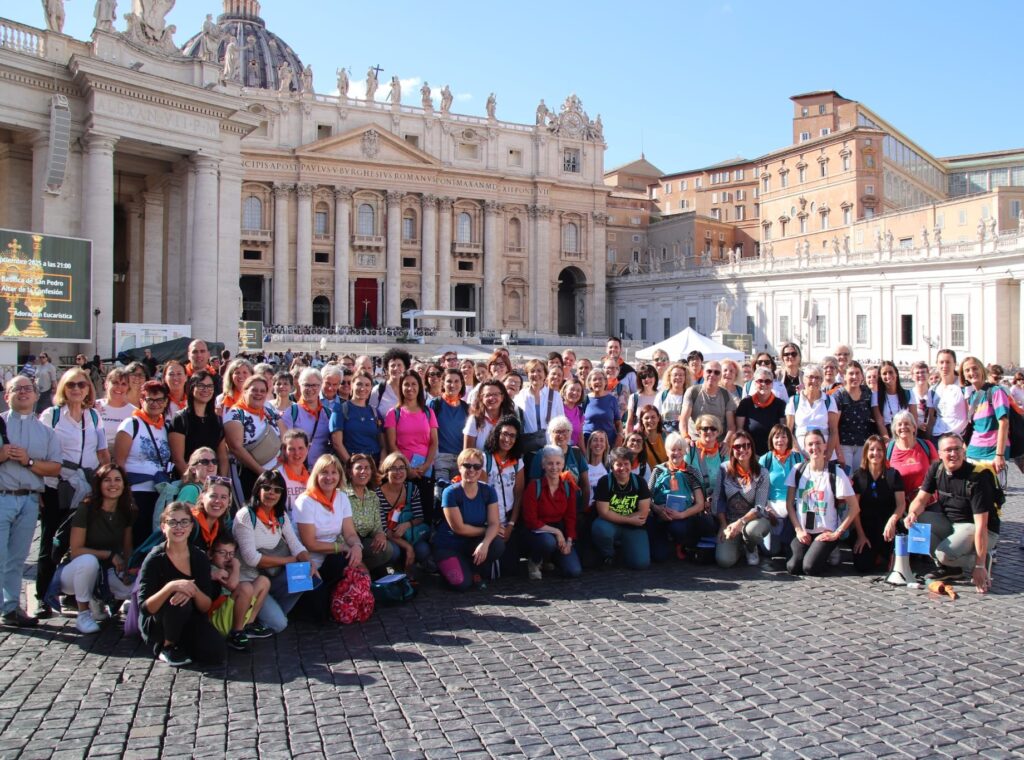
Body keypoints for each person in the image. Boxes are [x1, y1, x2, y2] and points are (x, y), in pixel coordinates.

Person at [36, 367, 110, 610]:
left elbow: (102, 453)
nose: (76, 389)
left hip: (86, 486)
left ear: (89, 388)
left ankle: (72, 592)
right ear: (63, 388)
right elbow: (40, 451)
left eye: (81, 384)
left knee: (78, 540)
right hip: (57, 485)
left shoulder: (94, 416)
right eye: (71, 384)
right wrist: (38, 488)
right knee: (51, 541)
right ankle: (43, 596)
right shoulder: (52, 415)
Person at [0, 377, 62, 626]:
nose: (24, 392)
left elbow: (55, 468)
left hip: (29, 501)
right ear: (7, 396)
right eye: (17, 389)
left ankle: (10, 608)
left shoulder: (46, 432)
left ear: (37, 395)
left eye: (29, 389)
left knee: (17, 558)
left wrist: (29, 462)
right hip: (2, 496)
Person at [904, 434, 999, 593]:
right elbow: (920, 499)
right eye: (948, 450)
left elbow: (982, 526)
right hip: (952, 523)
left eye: (957, 449)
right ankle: (952, 569)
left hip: (980, 529)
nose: (953, 454)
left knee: (943, 554)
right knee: (917, 521)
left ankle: (981, 560)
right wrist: (912, 513)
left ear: (963, 451)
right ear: (940, 454)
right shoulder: (936, 469)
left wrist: (979, 565)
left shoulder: (977, 477)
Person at [138, 502, 225, 667]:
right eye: (173, 522)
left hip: (190, 616)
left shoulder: (199, 557)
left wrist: (192, 590)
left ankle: (182, 642)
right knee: (177, 600)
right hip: (159, 620)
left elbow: (205, 606)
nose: (179, 527)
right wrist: (171, 587)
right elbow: (145, 608)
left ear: (191, 527)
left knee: (215, 652)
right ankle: (166, 646)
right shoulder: (154, 559)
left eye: (184, 522)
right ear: (163, 527)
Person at [232, 470, 314, 633]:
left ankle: (264, 612)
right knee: (279, 624)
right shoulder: (246, 516)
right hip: (249, 581)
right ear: (258, 489)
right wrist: (288, 560)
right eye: (267, 488)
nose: (272, 493)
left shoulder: (280, 515)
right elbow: (251, 559)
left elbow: (295, 545)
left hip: (271, 576)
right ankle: (254, 618)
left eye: (277, 490)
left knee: (307, 574)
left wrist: (309, 562)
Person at [58, 463, 135, 633]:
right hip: (74, 572)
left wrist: (128, 571)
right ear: (99, 484)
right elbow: (76, 551)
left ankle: (100, 599)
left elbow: (127, 548)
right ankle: (83, 614)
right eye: (107, 480)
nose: (113, 484)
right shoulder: (86, 508)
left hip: (106, 571)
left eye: (117, 479)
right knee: (89, 562)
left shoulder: (127, 510)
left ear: (124, 484)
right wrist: (109, 555)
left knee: (132, 588)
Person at [293, 454, 362, 621]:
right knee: (319, 617)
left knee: (344, 558)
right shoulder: (305, 501)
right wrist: (342, 547)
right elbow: (310, 543)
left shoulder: (342, 497)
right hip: (306, 562)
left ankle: (329, 592)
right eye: (324, 472)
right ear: (316, 475)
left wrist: (357, 546)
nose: (329, 477)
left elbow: (350, 533)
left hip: (330, 559)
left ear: (340, 475)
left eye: (334, 472)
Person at [784, 429, 859, 576]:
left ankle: (829, 549)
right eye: (810, 444)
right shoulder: (797, 470)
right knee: (793, 567)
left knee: (809, 567)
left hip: (826, 532)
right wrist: (798, 530)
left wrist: (836, 533)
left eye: (818, 443)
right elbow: (789, 504)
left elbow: (854, 507)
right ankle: (816, 551)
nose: (814, 447)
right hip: (804, 531)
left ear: (825, 445)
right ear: (805, 448)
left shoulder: (836, 472)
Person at [433, 449, 505, 590]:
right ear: (459, 467)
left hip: (472, 544)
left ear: (481, 469)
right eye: (467, 465)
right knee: (462, 584)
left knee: (497, 544)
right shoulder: (450, 492)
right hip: (449, 546)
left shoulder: (488, 491)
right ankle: (452, 570)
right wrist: (486, 531)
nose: (472, 470)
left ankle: (474, 569)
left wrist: (485, 543)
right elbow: (459, 528)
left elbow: (494, 523)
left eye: (476, 466)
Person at [114, 380, 172, 549]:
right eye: (150, 400)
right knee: (135, 536)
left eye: (159, 400)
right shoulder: (131, 424)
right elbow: (119, 462)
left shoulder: (166, 427)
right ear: (141, 400)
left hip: (160, 492)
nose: (155, 404)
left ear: (166, 402)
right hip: (136, 491)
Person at [383, 370, 438, 524]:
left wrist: (426, 465)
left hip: (425, 471)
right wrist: (408, 469)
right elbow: (391, 444)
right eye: (406, 384)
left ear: (419, 387)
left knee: (425, 513)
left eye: (414, 384)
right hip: (401, 471)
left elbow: (434, 442)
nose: (410, 388)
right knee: (403, 513)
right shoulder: (393, 413)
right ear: (401, 387)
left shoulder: (428, 412)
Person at [646, 432, 711, 561]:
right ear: (667, 451)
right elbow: (647, 497)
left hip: (683, 518)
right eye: (673, 450)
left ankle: (682, 543)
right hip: (660, 516)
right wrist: (657, 509)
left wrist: (681, 515)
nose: (676, 453)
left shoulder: (691, 472)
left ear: (685, 451)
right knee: (660, 557)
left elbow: (700, 504)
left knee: (679, 528)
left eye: (680, 449)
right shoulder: (658, 470)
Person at [224, 375, 285, 507]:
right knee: (252, 510)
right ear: (245, 391)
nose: (259, 394)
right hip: (249, 473)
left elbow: (284, 434)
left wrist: (282, 460)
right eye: (254, 390)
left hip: (277, 470)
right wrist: (262, 472)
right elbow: (235, 447)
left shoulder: (268, 408)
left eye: (262, 391)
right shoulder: (235, 414)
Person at [522, 445, 582, 580]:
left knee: (574, 571)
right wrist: (557, 532)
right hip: (538, 531)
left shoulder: (568, 487)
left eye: (558, 463)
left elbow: (570, 517)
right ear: (543, 465)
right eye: (550, 463)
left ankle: (549, 558)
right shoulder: (534, 487)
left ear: (563, 465)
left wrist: (569, 541)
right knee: (547, 542)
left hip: (560, 531)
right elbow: (531, 520)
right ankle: (535, 561)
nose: (554, 467)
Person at [715, 431, 772, 568]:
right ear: (732, 449)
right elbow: (718, 499)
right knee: (724, 561)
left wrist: (740, 523)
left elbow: (759, 507)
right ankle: (738, 545)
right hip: (730, 522)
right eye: (738, 446)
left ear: (752, 448)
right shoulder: (724, 469)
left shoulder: (762, 473)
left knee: (751, 531)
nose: (742, 449)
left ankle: (751, 547)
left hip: (754, 521)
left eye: (747, 445)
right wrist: (723, 524)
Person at [849, 436, 906, 573]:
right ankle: (877, 556)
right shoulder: (859, 476)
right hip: (866, 526)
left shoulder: (893, 474)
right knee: (862, 566)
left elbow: (901, 504)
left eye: (879, 449)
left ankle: (883, 555)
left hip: (888, 526)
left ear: (884, 452)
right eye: (872, 449)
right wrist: (861, 535)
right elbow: (854, 509)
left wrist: (892, 521)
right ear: (866, 452)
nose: (876, 453)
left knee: (901, 559)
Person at [207, 533, 272, 652]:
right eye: (222, 553)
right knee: (245, 587)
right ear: (210, 554)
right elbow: (232, 585)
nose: (228, 557)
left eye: (231, 554)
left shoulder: (227, 568)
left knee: (263, 581)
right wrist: (236, 567)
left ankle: (248, 625)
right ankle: (236, 632)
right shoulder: (214, 569)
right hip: (218, 618)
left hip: (233, 613)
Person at [592, 447, 651, 569]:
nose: (623, 468)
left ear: (631, 465)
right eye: (618, 464)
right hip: (611, 524)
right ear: (612, 466)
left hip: (633, 526)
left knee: (640, 564)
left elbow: (643, 512)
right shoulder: (605, 481)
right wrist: (628, 520)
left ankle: (625, 549)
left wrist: (624, 519)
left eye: (626, 464)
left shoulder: (640, 482)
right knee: (600, 528)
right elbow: (603, 512)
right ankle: (608, 554)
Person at [480, 416, 524, 575]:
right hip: (490, 521)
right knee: (494, 570)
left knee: (511, 569)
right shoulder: (485, 459)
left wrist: (511, 524)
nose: (507, 439)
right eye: (504, 434)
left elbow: (518, 496)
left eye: (512, 436)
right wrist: (494, 525)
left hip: (508, 519)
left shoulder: (518, 462)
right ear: (497, 434)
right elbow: (482, 497)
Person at [346, 454, 401, 572]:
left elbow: (377, 524)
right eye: (359, 468)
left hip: (365, 541)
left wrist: (380, 534)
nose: (363, 471)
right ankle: (356, 570)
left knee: (390, 550)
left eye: (367, 468)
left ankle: (363, 572)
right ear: (350, 472)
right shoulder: (342, 495)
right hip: (346, 543)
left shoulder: (373, 496)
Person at [377, 452, 430, 570]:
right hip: (389, 536)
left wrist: (407, 524)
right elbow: (383, 529)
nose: (398, 472)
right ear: (386, 471)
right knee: (394, 552)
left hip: (410, 533)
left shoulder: (412, 488)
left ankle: (413, 572)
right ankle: (389, 572)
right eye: (393, 468)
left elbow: (419, 517)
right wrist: (408, 547)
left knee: (423, 549)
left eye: (402, 468)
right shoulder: (377, 494)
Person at [169, 370, 226, 478]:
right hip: (188, 481)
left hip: (212, 483)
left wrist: (221, 482)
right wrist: (197, 482)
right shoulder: (180, 419)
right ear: (192, 388)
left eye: (210, 386)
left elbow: (222, 457)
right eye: (201, 386)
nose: (206, 389)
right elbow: (178, 460)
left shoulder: (217, 420)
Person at [757, 424, 802, 557]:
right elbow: (758, 487)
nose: (780, 440)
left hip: (793, 506)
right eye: (777, 437)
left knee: (788, 547)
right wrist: (765, 506)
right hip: (772, 507)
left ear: (789, 440)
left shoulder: (798, 458)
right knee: (772, 551)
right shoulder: (766, 459)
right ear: (771, 439)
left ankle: (789, 543)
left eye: (784, 437)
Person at [959, 356, 1010, 472]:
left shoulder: (996, 392)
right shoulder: (971, 397)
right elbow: (974, 428)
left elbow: (1004, 423)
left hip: (992, 454)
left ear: (982, 369)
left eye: (975, 368)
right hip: (972, 453)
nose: (972, 372)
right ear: (964, 375)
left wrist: (999, 455)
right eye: (967, 370)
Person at [428, 368, 469, 497]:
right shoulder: (435, 404)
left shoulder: (466, 407)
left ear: (461, 383)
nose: (453, 385)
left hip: (460, 459)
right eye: (449, 381)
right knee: (440, 496)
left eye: (457, 381)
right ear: (443, 383)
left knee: (457, 496)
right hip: (441, 459)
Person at [785, 364, 839, 458]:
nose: (814, 381)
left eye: (817, 378)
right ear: (804, 379)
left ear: (822, 380)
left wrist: (828, 454)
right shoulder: (793, 401)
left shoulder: (829, 401)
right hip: (801, 454)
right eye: (810, 377)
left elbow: (833, 430)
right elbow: (788, 430)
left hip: (824, 453)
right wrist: (798, 454)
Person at [331, 371, 384, 465]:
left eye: (367, 385)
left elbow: (383, 445)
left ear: (371, 388)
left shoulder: (375, 412)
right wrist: (351, 466)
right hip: (351, 462)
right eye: (359, 384)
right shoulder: (340, 409)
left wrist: (381, 466)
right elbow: (337, 444)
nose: (363, 388)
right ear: (352, 386)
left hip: (373, 464)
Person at [516, 360, 564, 461]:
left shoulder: (555, 396)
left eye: (539, 371)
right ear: (527, 374)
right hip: (528, 450)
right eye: (532, 371)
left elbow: (561, 424)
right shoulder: (521, 396)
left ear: (545, 374)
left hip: (550, 450)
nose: (535, 374)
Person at [680, 360, 737, 446]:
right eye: (709, 371)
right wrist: (686, 437)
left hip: (718, 445)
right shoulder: (693, 392)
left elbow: (731, 426)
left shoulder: (726, 395)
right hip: (695, 443)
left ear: (720, 376)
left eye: (716, 372)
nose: (712, 375)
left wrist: (726, 443)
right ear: (703, 373)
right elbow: (684, 419)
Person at [886, 410, 937, 504]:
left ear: (914, 427)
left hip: (926, 502)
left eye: (906, 424)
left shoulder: (927, 445)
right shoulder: (888, 449)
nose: (903, 427)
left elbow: (938, 473)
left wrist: (927, 489)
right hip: (899, 505)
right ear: (895, 429)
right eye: (899, 424)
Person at [735, 367, 787, 456]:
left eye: (767, 381)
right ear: (755, 383)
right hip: (750, 453)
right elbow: (740, 430)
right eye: (760, 381)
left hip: (773, 454)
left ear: (772, 384)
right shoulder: (745, 403)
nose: (764, 384)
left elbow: (783, 431)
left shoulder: (780, 404)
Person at [833, 361, 874, 472]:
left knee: (861, 476)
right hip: (844, 445)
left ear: (862, 376)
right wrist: (838, 452)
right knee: (847, 476)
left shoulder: (867, 393)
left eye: (857, 373)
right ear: (844, 376)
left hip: (864, 444)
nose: (855, 376)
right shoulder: (839, 396)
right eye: (851, 374)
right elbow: (834, 426)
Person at [287, 368, 333, 467]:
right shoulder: (291, 412)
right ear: (299, 385)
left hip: (321, 470)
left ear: (321, 386)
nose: (310, 389)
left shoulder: (328, 413)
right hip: (297, 469)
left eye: (314, 385)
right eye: (306, 385)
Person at [684, 414, 725, 507]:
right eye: (705, 429)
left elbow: (728, 481)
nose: (709, 431)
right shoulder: (690, 450)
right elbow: (684, 478)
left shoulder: (723, 452)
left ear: (718, 432)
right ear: (698, 430)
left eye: (713, 428)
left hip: (718, 501)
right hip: (694, 502)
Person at [464, 379, 516, 450]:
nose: (491, 398)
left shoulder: (511, 418)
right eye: (488, 395)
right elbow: (467, 452)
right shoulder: (475, 419)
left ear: (502, 397)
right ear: (481, 398)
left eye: (496, 394)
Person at [931, 349, 968, 447]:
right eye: (941, 362)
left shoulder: (964, 386)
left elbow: (971, 416)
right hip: (938, 437)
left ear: (955, 364)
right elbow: (932, 417)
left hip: (958, 438)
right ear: (937, 364)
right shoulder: (933, 389)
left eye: (948, 362)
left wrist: (967, 441)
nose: (944, 366)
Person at [94, 367, 136, 445]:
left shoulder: (134, 412)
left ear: (128, 388)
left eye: (124, 384)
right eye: (115, 383)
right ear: (106, 384)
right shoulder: (93, 406)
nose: (119, 387)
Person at [582, 366, 620, 450]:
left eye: (600, 379)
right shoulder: (584, 399)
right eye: (594, 379)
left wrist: (619, 437)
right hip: (588, 443)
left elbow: (618, 422)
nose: (598, 381)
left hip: (608, 444)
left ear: (605, 382)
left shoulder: (612, 400)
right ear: (590, 383)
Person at [370, 348, 412, 422]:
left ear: (405, 368)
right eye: (392, 365)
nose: (396, 368)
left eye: (399, 365)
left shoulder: (412, 389)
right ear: (387, 369)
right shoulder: (378, 390)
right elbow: (371, 415)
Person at [871, 361, 909, 439]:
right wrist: (887, 441)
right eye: (884, 373)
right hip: (887, 435)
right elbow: (880, 422)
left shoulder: (908, 394)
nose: (888, 376)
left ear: (896, 373)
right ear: (880, 377)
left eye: (891, 372)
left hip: (906, 434)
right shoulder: (875, 396)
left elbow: (913, 419)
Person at [277, 429, 309, 518]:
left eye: (300, 448)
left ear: (307, 449)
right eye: (291, 449)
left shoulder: (312, 477)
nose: (297, 453)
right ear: (284, 450)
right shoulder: (276, 476)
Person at [655, 362, 689, 434]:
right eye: (675, 375)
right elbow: (656, 416)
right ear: (669, 377)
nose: (678, 377)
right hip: (664, 434)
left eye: (681, 375)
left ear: (685, 378)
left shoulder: (689, 396)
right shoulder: (661, 395)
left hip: (683, 434)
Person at [624, 364, 659, 434]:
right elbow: (630, 421)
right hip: (639, 436)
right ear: (640, 379)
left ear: (655, 377)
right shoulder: (634, 397)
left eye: (650, 375)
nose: (647, 379)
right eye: (643, 376)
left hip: (657, 436)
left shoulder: (661, 396)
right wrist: (628, 437)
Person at [907, 361, 938, 439]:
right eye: (917, 373)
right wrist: (917, 424)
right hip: (914, 433)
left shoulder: (935, 394)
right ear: (912, 377)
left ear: (928, 375)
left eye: (923, 372)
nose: (920, 375)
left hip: (934, 432)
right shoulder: (908, 395)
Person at [636, 405, 667, 469]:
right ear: (642, 420)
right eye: (646, 418)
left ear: (658, 418)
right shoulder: (637, 439)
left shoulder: (666, 437)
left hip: (664, 474)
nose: (650, 420)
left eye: (653, 417)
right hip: (645, 475)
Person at [560, 378, 586, 449]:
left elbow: (580, 437)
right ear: (565, 391)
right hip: (558, 451)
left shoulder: (580, 412)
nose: (575, 393)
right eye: (572, 389)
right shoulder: (558, 408)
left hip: (572, 451)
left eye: (578, 390)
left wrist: (584, 454)